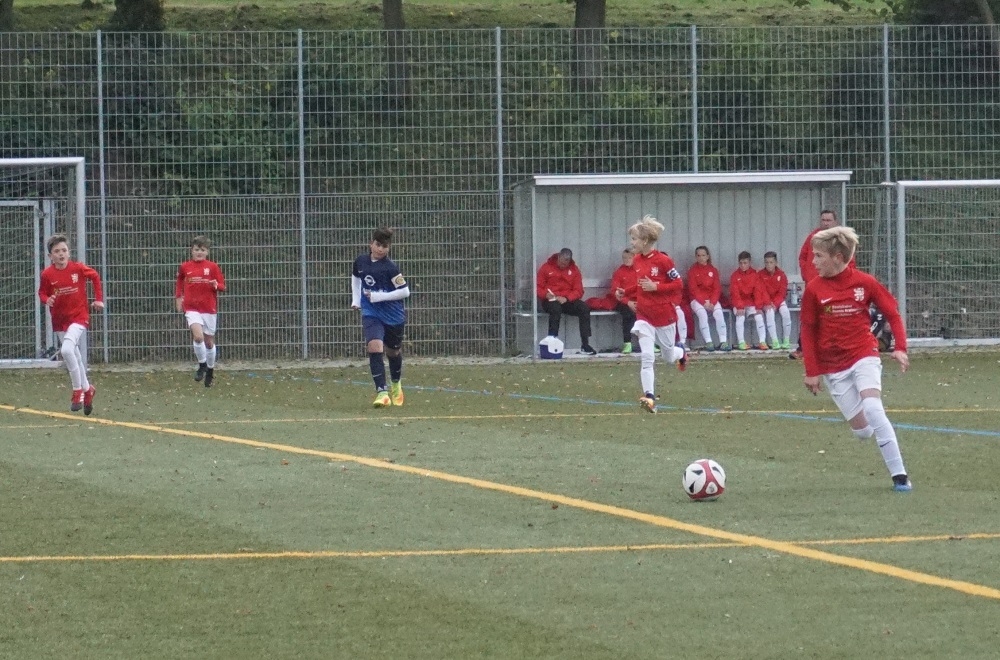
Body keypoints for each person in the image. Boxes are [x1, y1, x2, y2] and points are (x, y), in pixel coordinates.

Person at [800, 225, 912, 492]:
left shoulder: (865, 282)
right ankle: (873, 429)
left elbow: (892, 312)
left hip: (864, 354)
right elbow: (807, 330)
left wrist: (900, 346)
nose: (813, 262)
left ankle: (900, 477)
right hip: (833, 366)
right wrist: (812, 371)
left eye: (818, 256)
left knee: (873, 408)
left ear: (838, 257)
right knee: (863, 431)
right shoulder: (814, 289)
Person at [621, 215, 687, 414]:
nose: (631, 242)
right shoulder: (637, 260)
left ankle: (681, 353)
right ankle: (649, 397)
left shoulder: (664, 261)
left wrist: (656, 286)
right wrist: (626, 292)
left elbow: (678, 284)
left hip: (664, 316)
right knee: (647, 356)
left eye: (634, 239)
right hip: (644, 316)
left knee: (668, 357)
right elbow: (641, 284)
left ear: (645, 241)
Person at [37, 233, 104, 415]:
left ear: (68, 252)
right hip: (60, 320)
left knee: (67, 350)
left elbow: (95, 276)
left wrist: (99, 299)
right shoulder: (47, 274)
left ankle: (77, 391)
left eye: (64, 250)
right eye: (57, 251)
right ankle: (88, 389)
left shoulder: (77, 268)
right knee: (74, 354)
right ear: (50, 256)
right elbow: (42, 293)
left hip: (79, 317)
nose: (61, 254)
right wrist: (47, 299)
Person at [352, 227, 410, 407]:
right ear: (371, 244)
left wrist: (379, 296)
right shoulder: (361, 261)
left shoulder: (391, 267)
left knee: (393, 352)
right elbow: (356, 278)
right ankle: (382, 393)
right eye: (378, 245)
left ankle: (396, 384)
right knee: (374, 346)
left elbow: (405, 292)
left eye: (384, 246)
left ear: (388, 248)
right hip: (371, 312)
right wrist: (356, 300)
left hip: (393, 316)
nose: (380, 249)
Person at [791, 209, 853, 359]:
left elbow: (850, 262)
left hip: (834, 286)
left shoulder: (841, 240)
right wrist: (807, 275)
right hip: (814, 284)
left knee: (834, 315)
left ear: (835, 222)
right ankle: (803, 348)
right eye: (823, 220)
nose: (825, 223)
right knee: (809, 316)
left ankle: (837, 347)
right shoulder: (813, 237)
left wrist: (843, 281)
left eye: (828, 220)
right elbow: (803, 257)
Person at [175, 235, 226, 388]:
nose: (199, 252)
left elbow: (222, 286)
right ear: (191, 251)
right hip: (191, 307)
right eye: (196, 249)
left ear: (207, 252)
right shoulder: (185, 266)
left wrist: (216, 285)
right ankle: (202, 365)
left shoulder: (212, 267)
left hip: (208, 308)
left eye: (202, 250)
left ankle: (210, 369)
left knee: (209, 342)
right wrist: (179, 297)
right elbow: (179, 281)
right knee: (198, 337)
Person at [536, 247, 596, 355]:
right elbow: (538, 287)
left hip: (566, 300)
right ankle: (552, 342)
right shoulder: (546, 267)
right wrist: (546, 294)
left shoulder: (574, 270)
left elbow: (579, 290)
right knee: (555, 309)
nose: (562, 265)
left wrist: (567, 298)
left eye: (565, 263)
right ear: (558, 257)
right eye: (561, 262)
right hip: (550, 300)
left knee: (584, 308)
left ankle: (585, 344)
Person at [587, 248, 638, 353]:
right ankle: (627, 343)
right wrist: (628, 302)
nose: (627, 260)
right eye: (624, 258)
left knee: (648, 313)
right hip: (621, 301)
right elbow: (615, 291)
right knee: (628, 314)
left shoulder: (640, 271)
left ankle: (649, 342)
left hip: (638, 300)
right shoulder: (619, 272)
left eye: (629, 258)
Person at [687, 245, 731, 351]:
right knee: (702, 314)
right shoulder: (692, 270)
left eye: (703, 255)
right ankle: (708, 342)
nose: (701, 258)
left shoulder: (713, 270)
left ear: (707, 256)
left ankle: (723, 341)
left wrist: (713, 302)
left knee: (718, 313)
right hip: (697, 300)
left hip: (712, 299)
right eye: (698, 255)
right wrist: (703, 302)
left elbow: (717, 288)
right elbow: (693, 289)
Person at [728, 251, 768, 350]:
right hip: (738, 303)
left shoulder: (755, 275)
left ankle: (762, 342)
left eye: (745, 263)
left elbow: (758, 291)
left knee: (759, 317)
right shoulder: (735, 276)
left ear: (750, 262)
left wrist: (758, 307)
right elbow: (735, 293)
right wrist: (739, 307)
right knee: (740, 317)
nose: (743, 265)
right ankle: (741, 342)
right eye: (741, 263)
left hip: (751, 303)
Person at [758, 251, 793, 350]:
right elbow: (762, 291)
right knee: (769, 313)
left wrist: (775, 303)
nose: (769, 265)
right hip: (767, 302)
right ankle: (775, 341)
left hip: (778, 301)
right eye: (767, 262)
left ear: (776, 262)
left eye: (771, 262)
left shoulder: (781, 274)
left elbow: (782, 291)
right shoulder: (760, 275)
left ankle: (786, 340)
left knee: (786, 312)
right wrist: (768, 303)